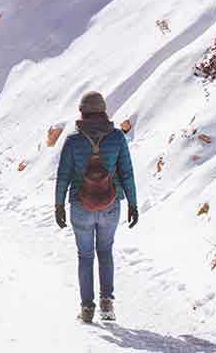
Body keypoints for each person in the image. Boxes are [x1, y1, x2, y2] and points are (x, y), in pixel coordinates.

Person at [54, 91, 138, 324]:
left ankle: (87, 309)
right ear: (103, 111)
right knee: (105, 251)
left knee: (85, 256)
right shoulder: (117, 138)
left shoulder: (73, 140)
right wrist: (132, 203)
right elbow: (127, 172)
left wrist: (59, 204)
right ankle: (107, 305)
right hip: (111, 204)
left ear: (82, 112)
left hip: (80, 205)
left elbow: (63, 176)